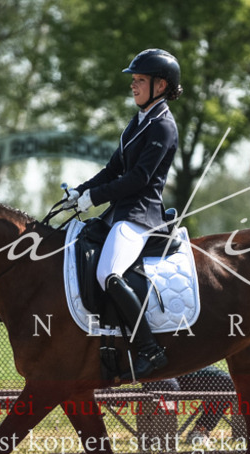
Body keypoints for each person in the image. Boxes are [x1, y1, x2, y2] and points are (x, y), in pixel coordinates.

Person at [65, 48, 182, 381]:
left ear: (160, 86)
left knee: (108, 273)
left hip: (141, 216)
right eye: (133, 80)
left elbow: (138, 179)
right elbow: (113, 168)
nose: (133, 86)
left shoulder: (163, 126)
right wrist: (80, 191)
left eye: (140, 80)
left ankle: (149, 349)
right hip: (119, 213)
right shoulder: (139, 121)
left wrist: (95, 198)